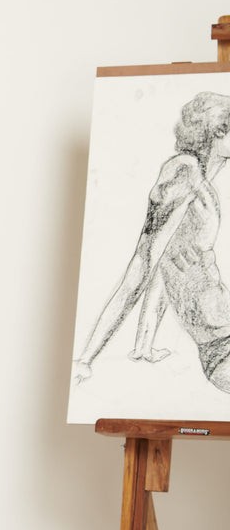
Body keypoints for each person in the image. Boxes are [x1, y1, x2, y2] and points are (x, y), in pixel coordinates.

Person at [74, 91, 230, 390]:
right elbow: (143, 266)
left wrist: (143, 345)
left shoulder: (206, 176)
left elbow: (165, 267)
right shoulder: (184, 171)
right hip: (222, 348)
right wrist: (85, 359)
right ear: (219, 130)